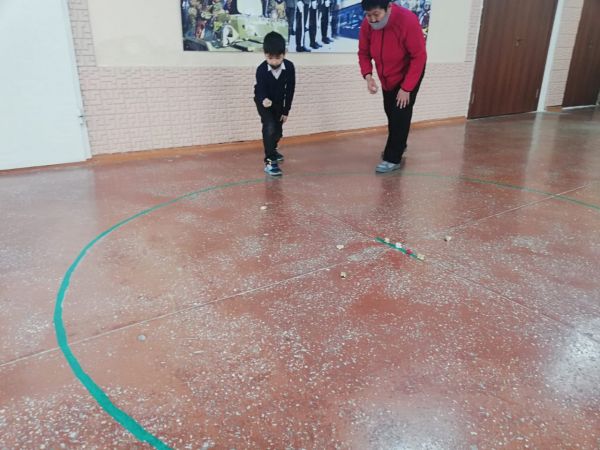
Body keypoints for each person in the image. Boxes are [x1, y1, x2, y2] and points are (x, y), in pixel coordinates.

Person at [358, 0, 426, 173]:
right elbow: (363, 52)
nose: (372, 20)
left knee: (400, 113)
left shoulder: (407, 20)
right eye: (368, 15)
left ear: (388, 7)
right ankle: (399, 143)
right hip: (387, 75)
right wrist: (368, 76)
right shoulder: (367, 24)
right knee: (390, 110)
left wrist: (407, 88)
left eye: (376, 14)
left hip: (409, 72)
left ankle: (393, 157)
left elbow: (419, 56)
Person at [254, 32, 296, 176]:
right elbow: (259, 89)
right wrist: (263, 99)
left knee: (278, 131)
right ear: (264, 54)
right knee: (269, 126)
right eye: (269, 58)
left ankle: (273, 149)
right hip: (263, 102)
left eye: (278, 58)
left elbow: (290, 90)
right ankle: (270, 161)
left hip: (278, 102)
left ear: (284, 53)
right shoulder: (261, 69)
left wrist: (286, 111)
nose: (274, 62)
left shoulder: (289, 67)